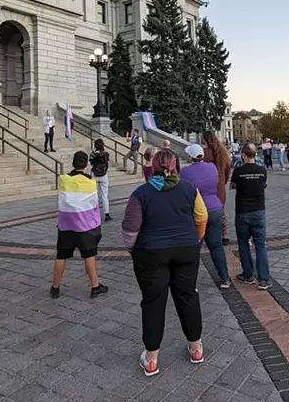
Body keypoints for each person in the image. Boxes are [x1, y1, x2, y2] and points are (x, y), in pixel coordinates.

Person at [122, 150, 207, 376]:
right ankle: (195, 347)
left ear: (153, 167)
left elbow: (130, 229)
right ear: (174, 165)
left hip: (151, 253)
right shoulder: (189, 189)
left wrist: (133, 249)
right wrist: (196, 239)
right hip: (186, 249)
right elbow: (202, 216)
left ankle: (151, 359)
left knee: (153, 302)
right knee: (188, 296)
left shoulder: (141, 193)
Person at [51, 151, 108, 300]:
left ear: (73, 163)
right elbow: (93, 204)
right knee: (89, 256)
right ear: (86, 164)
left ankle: (55, 288)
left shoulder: (63, 180)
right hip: (84, 226)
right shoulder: (90, 182)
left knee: (61, 256)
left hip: (66, 225)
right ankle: (95, 286)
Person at [180, 144, 231, 288]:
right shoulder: (212, 167)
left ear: (190, 157)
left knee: (194, 249)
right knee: (216, 246)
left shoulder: (186, 172)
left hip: (198, 212)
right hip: (215, 207)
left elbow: (183, 190)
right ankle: (225, 278)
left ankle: (191, 283)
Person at [230, 143, 271, 289]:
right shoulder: (262, 170)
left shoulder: (238, 171)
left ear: (243, 155)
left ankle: (248, 275)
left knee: (243, 243)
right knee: (260, 244)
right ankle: (264, 279)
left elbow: (233, 186)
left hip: (242, 211)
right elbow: (263, 184)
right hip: (259, 210)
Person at [203, 131, 232, 246]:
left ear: (205, 140)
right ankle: (224, 235)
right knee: (221, 210)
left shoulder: (205, 153)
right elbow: (228, 169)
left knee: (205, 209)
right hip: (220, 184)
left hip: (208, 185)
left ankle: (208, 233)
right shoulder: (223, 152)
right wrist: (223, 181)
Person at [89, 139, 112, 222]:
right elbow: (107, 162)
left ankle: (93, 214)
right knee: (104, 195)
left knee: (94, 195)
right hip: (104, 175)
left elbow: (91, 162)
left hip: (95, 174)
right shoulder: (106, 154)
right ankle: (107, 214)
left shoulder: (93, 154)